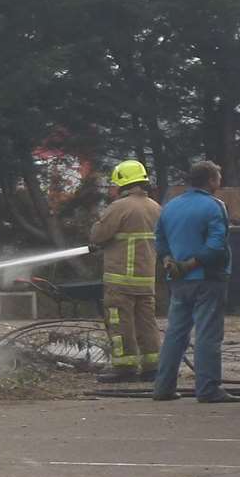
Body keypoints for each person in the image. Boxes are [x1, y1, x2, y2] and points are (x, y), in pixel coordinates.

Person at [151, 160, 239, 403]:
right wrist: (193, 263)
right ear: (210, 180)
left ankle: (163, 387)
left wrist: (170, 261)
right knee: (208, 334)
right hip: (208, 279)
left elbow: (159, 238)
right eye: (218, 178)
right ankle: (208, 389)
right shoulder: (213, 206)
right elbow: (216, 245)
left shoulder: (170, 206)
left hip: (178, 281)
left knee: (175, 334)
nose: (219, 182)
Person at [87, 160, 163, 382]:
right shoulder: (156, 207)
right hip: (146, 279)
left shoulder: (120, 207)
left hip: (120, 280)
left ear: (122, 183)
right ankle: (152, 367)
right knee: (147, 323)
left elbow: (98, 236)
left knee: (120, 323)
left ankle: (124, 367)